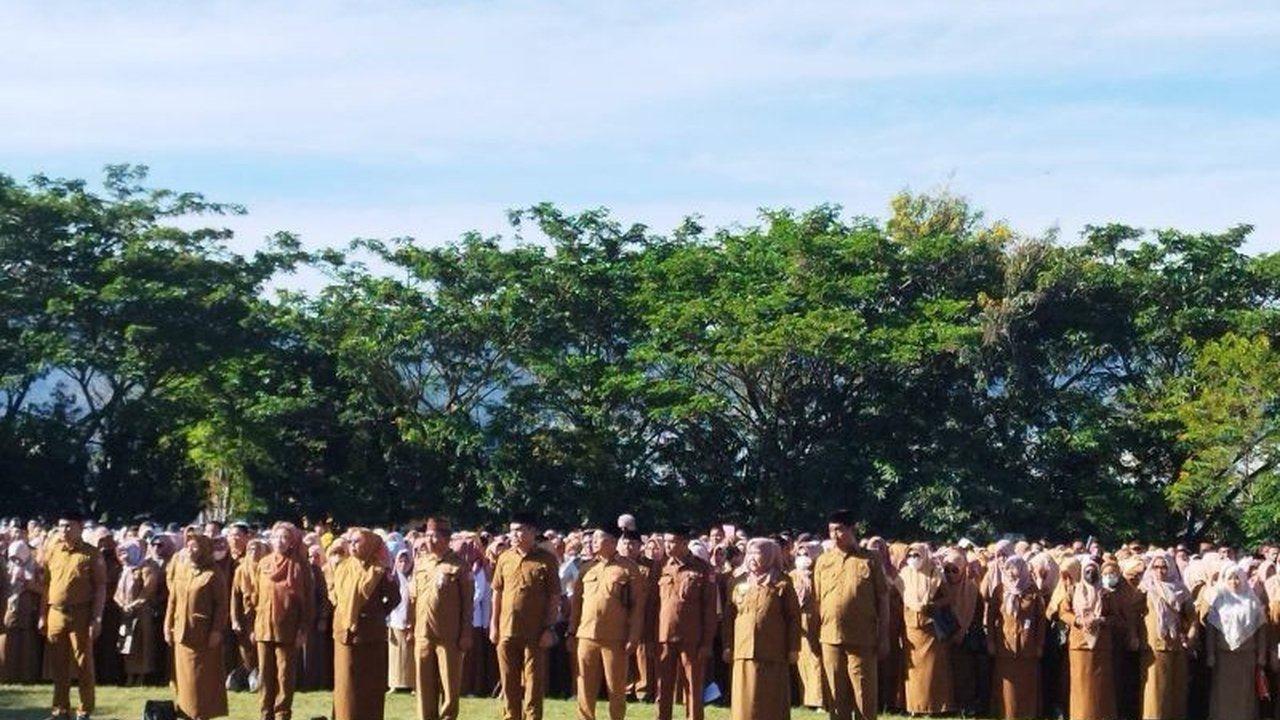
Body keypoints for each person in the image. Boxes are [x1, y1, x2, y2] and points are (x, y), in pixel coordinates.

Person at [813, 509, 890, 720]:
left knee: (864, 694)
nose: (834, 535)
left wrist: (883, 637)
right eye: (831, 530)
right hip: (830, 638)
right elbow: (817, 601)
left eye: (839, 530)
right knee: (836, 697)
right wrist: (814, 635)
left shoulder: (870, 560)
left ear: (851, 529)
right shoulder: (822, 562)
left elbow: (883, 600)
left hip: (862, 638)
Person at [567, 524, 646, 720]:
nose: (592, 543)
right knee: (584, 687)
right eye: (592, 539)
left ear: (612, 541)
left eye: (597, 539)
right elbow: (576, 604)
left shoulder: (628, 569)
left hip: (615, 638)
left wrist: (633, 636)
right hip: (586, 636)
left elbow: (637, 607)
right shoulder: (586, 568)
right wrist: (571, 632)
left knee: (616, 689)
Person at [490, 512, 561, 720]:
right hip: (506, 629)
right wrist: (493, 626)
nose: (513, 535)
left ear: (532, 531)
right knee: (508, 680)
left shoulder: (546, 560)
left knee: (533, 682)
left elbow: (554, 597)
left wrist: (549, 628)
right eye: (511, 531)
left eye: (519, 530)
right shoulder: (505, 558)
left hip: (535, 631)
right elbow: (497, 593)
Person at [722, 538, 801, 720]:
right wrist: (727, 645)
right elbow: (728, 617)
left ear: (769, 556)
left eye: (757, 553)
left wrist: (793, 648)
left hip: (773, 653)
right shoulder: (736, 582)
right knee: (744, 705)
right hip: (743, 652)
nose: (751, 558)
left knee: (771, 702)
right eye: (749, 553)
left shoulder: (783, 583)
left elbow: (794, 619)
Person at [41, 510, 107, 720]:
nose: (64, 530)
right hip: (56, 614)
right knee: (58, 665)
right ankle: (60, 709)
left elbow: (100, 588)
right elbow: (46, 585)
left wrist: (96, 618)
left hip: (81, 614)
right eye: (61, 526)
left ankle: (84, 709)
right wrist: (43, 615)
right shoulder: (53, 550)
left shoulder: (91, 554)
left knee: (83, 665)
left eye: (69, 526)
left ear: (80, 528)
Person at [330, 528, 400, 720]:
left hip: (371, 637)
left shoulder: (380, 570)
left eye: (357, 542)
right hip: (345, 634)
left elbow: (394, 598)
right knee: (346, 686)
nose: (352, 545)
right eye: (350, 541)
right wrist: (345, 611)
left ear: (369, 544)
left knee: (370, 686)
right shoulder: (343, 567)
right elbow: (334, 593)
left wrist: (377, 614)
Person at [412, 517, 474, 720]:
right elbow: (414, 599)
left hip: (449, 636)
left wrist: (465, 632)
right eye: (427, 536)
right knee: (423, 683)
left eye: (434, 536)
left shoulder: (459, 566)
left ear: (446, 539)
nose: (429, 540)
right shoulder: (421, 563)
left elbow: (467, 603)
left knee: (449, 683)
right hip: (423, 633)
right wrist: (411, 627)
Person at [654, 525, 717, 720]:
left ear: (684, 543)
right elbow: (652, 605)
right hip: (664, 636)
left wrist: (707, 642)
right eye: (665, 542)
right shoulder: (662, 567)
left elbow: (709, 609)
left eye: (672, 541)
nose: (667, 545)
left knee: (693, 685)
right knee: (663, 685)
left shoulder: (703, 568)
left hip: (692, 638)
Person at [254, 521, 315, 720]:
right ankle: (265, 714)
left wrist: (303, 628)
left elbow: (307, 600)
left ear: (291, 542)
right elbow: (256, 595)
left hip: (288, 628)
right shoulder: (263, 564)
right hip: (264, 626)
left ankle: (282, 714)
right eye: (275, 537)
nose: (279, 541)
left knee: (284, 675)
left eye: (284, 538)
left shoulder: (299, 565)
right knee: (265, 674)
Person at [165, 534, 230, 720]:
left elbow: (221, 605)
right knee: (183, 680)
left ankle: (200, 712)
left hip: (203, 634)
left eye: (195, 547)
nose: (190, 551)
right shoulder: (183, 570)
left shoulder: (214, 573)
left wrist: (216, 630)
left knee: (200, 680)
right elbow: (173, 600)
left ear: (205, 549)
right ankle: (184, 712)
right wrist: (167, 625)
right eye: (188, 547)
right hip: (181, 634)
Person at [1058, 558, 1121, 720]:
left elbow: (1115, 617)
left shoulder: (1106, 593)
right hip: (1079, 646)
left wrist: (1101, 621)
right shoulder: (1073, 590)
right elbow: (1063, 613)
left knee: (1101, 685)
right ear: (1082, 573)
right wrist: (1078, 620)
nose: (1090, 574)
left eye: (1093, 571)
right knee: (1081, 685)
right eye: (1087, 571)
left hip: (1101, 644)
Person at [896, 542, 954, 715]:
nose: (914, 559)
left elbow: (948, 597)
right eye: (911, 556)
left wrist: (932, 605)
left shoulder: (934, 573)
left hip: (930, 629)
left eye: (917, 555)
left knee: (931, 670)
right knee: (913, 671)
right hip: (911, 629)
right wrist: (906, 608)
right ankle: (914, 707)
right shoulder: (904, 575)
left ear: (925, 555)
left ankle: (933, 707)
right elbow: (894, 596)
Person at [1139, 551, 1197, 720]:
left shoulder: (1181, 590)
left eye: (1164, 567)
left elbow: (1192, 618)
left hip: (1176, 646)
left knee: (1175, 691)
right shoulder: (1145, 588)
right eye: (1156, 567)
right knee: (1156, 692)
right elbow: (1133, 614)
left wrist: (1191, 636)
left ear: (1171, 567)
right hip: (1153, 645)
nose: (1160, 571)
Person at [1204, 561, 1266, 720]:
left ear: (1243, 579)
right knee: (1224, 693)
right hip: (1224, 656)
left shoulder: (1252, 602)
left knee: (1244, 695)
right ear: (1225, 580)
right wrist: (1210, 654)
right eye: (1230, 578)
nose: (1234, 582)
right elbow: (1211, 629)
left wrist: (1261, 655)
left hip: (1246, 656)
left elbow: (1261, 630)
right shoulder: (1219, 601)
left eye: (1237, 578)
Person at [985, 555, 1044, 719]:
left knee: (1027, 682)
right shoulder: (1000, 590)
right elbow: (990, 618)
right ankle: (1006, 712)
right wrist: (990, 641)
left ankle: (1028, 712)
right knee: (1007, 684)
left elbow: (1040, 619)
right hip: (1005, 645)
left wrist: (1039, 644)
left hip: (1028, 645)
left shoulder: (1032, 591)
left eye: (1015, 567)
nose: (1011, 572)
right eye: (1008, 568)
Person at [617, 529, 658, 703]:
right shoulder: (617, 566)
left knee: (642, 653)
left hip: (643, 614)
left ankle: (643, 690)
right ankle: (626, 689)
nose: (629, 547)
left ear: (640, 546)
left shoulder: (650, 566)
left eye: (632, 544)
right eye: (625, 543)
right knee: (623, 653)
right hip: (620, 617)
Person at [115, 539, 161, 685]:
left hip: (142, 613)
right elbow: (117, 593)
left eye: (127, 552)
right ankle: (129, 675)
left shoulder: (147, 568)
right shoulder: (125, 570)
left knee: (142, 643)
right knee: (127, 644)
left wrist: (134, 604)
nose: (124, 555)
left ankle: (141, 677)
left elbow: (148, 590)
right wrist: (122, 605)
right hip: (126, 613)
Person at [789, 539, 828, 712]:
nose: (803, 558)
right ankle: (806, 698)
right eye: (800, 554)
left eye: (807, 554)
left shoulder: (821, 574)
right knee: (802, 659)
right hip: (798, 622)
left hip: (817, 621)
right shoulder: (792, 576)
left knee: (817, 660)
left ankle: (821, 700)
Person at [2, 538, 42, 683]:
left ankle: (26, 676)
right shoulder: (8, 567)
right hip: (11, 609)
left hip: (29, 609)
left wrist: (31, 586)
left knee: (27, 645)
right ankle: (8, 675)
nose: (16, 560)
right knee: (10, 643)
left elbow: (43, 590)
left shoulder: (35, 567)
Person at [387, 547, 416, 693]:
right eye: (401, 560)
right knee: (395, 655)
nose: (403, 564)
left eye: (406, 560)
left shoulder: (413, 579)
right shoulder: (393, 579)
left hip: (409, 621)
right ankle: (395, 684)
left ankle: (411, 684)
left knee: (409, 655)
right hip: (394, 620)